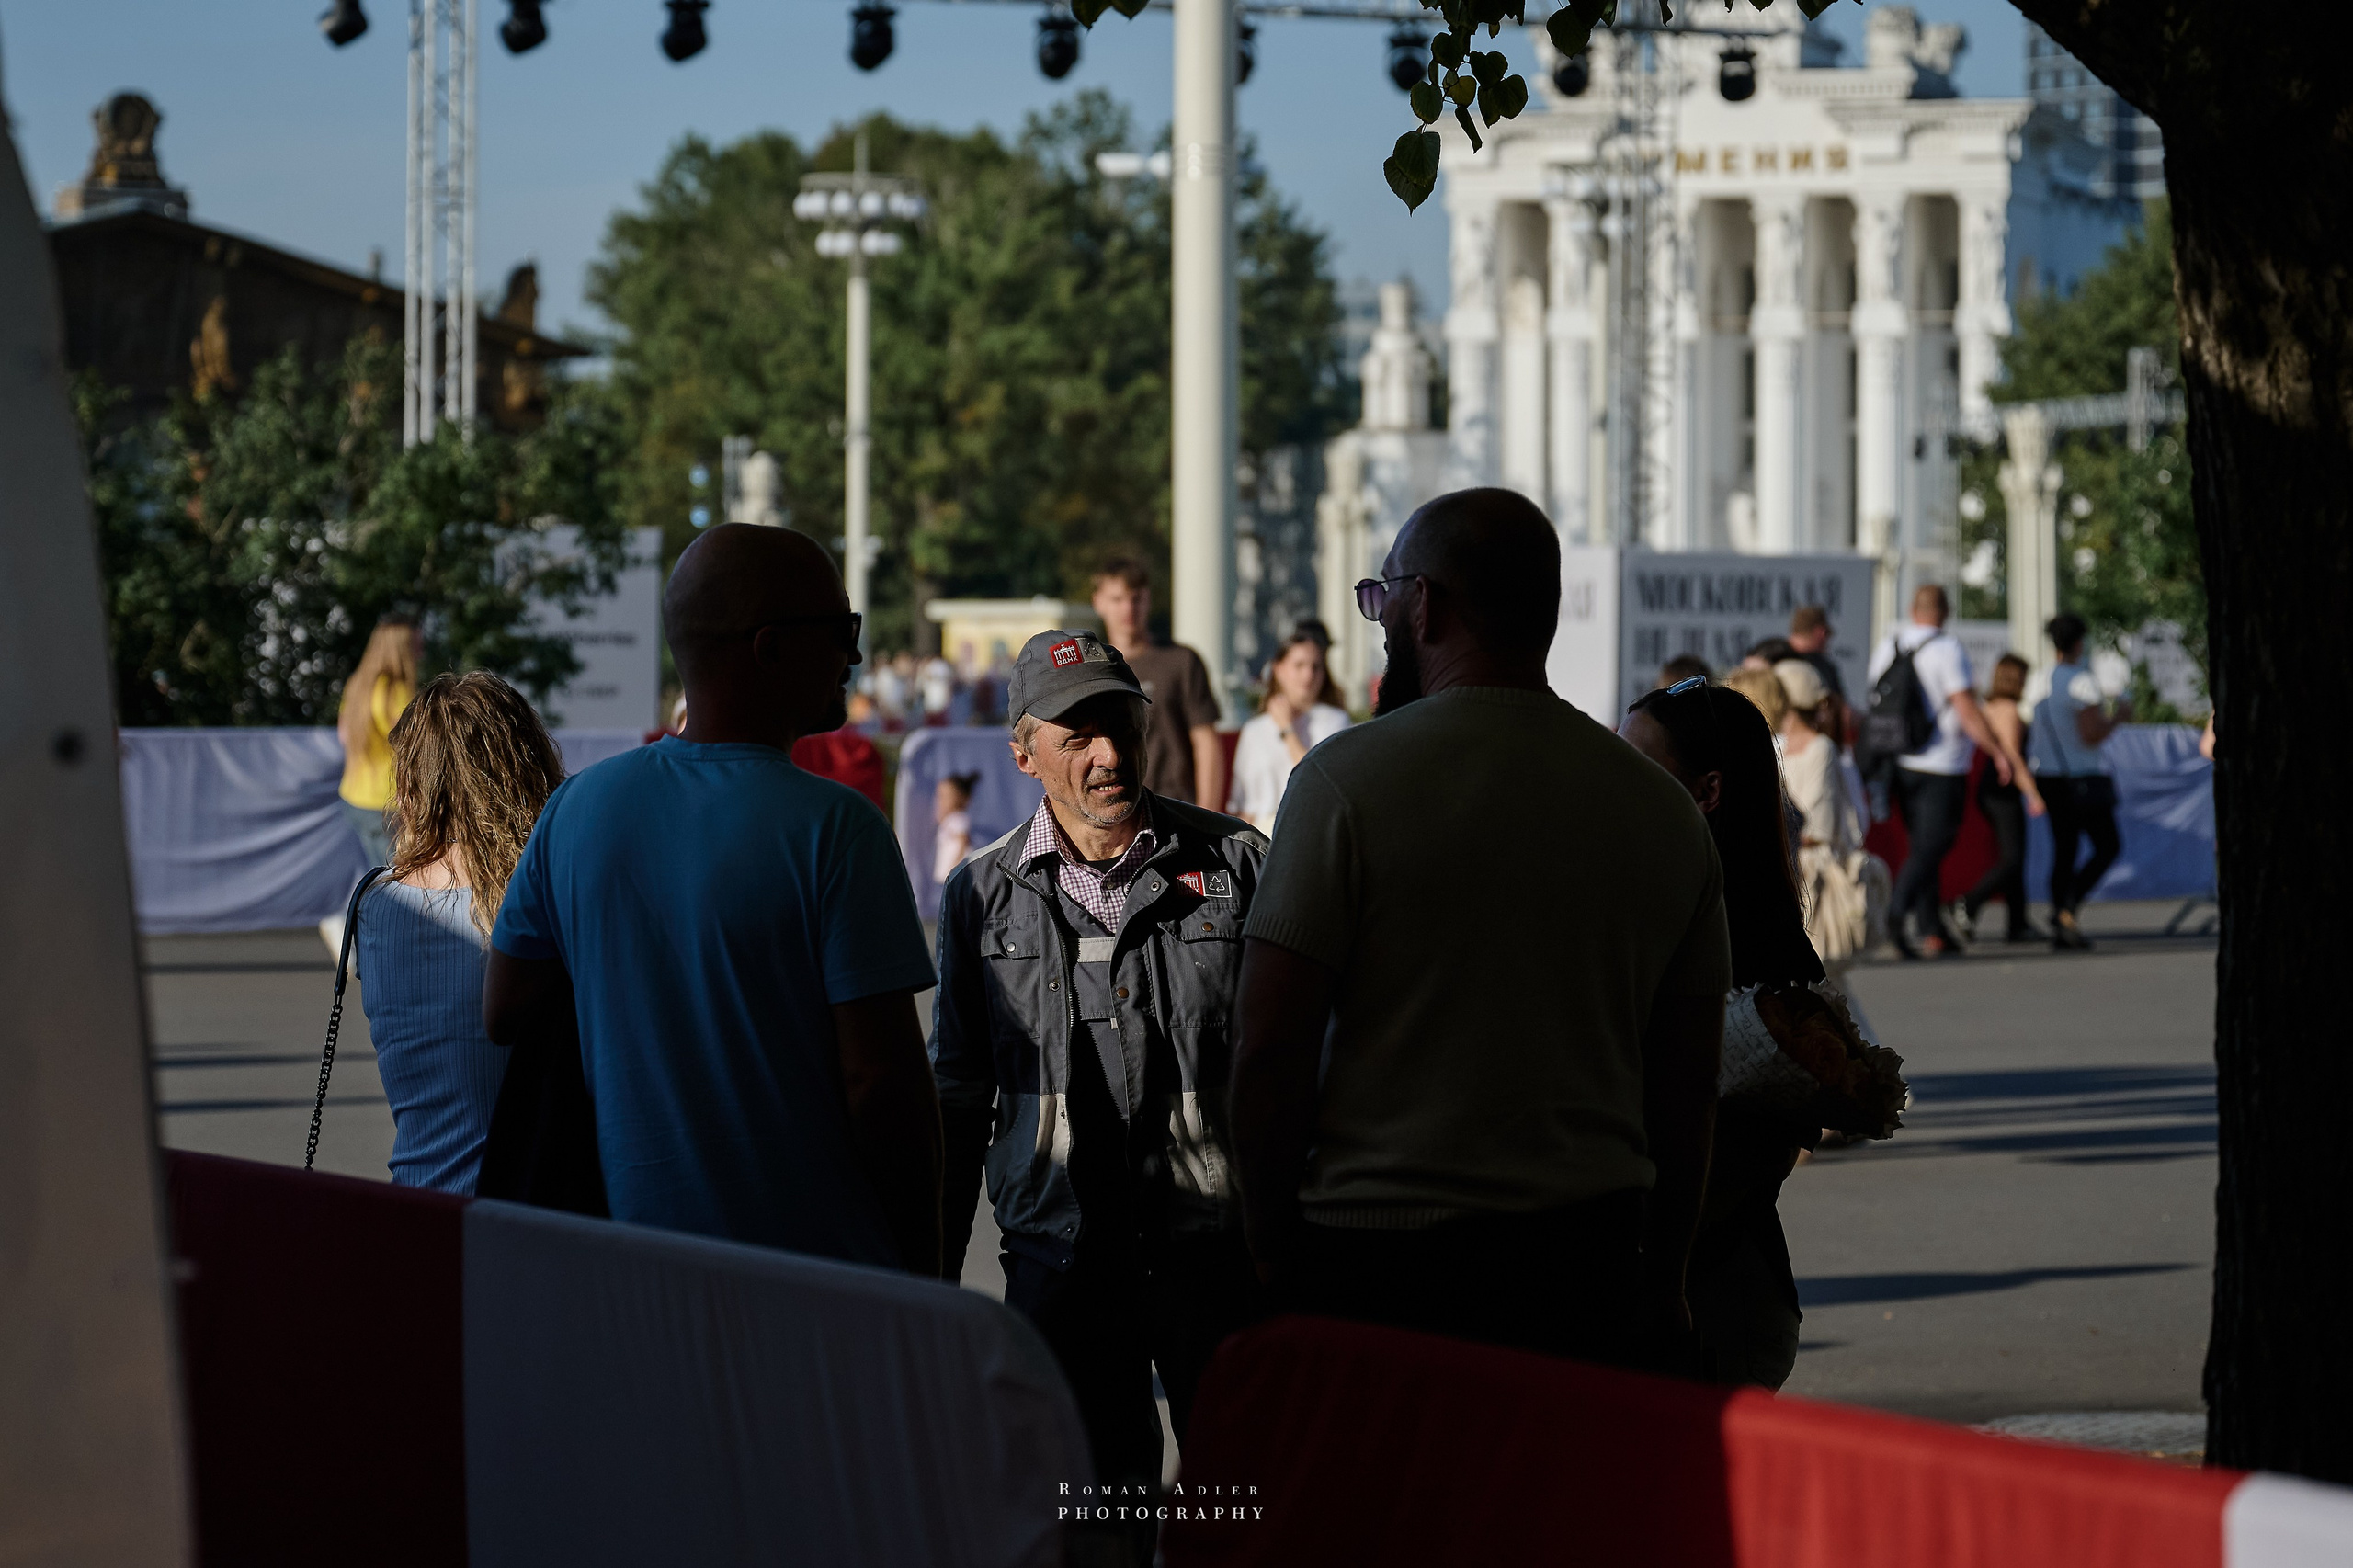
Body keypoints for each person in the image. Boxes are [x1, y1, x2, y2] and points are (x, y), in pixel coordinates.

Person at [1229, 489, 1730, 1370]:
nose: (1379, 622)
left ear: (1426, 603)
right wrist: (1666, 1283)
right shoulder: (1661, 811)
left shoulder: (1345, 784)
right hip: (1588, 1257)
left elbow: (1269, 1047)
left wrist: (1269, 1249)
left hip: (1380, 1259)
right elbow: (1687, 1086)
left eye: (1381, 598)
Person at [483, 523, 943, 1271]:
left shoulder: (577, 810)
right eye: (840, 629)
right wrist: (925, 1275)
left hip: (631, 1267)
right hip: (810, 1279)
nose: (854, 656)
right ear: (769, 648)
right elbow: (881, 1083)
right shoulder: (837, 829)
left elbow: (505, 1012)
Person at [930, 629, 1268, 1488]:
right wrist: (930, 1276)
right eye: (1077, 737)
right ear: (1024, 754)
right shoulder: (980, 895)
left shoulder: (1236, 863)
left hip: (1215, 1263)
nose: (1109, 754)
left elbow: (1296, 1066)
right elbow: (959, 1095)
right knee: (1089, 1517)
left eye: (1121, 724)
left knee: (1242, 1510)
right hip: (1061, 1268)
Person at [1620, 677, 1833, 1390]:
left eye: (1637, 769)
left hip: (1705, 1308)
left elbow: (1765, 1146)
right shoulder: (1636, 910)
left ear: (1707, 792)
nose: (1612, 788)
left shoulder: (1758, 952)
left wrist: (1660, 1259)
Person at [358, 672, 565, 1194]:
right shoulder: (549, 901)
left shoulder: (375, 904)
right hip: (530, 1208)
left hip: (417, 1199)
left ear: (412, 785)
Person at [1867, 585, 2011, 959]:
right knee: (1933, 845)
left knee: (1921, 846)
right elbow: (1965, 710)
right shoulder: (1946, 649)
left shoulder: (1890, 644)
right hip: (1942, 764)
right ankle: (1895, 916)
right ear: (1944, 611)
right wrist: (1997, 751)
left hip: (1899, 760)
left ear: (1914, 609)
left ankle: (1932, 928)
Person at [1774, 659, 1887, 985]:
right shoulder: (1780, 745)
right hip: (1791, 874)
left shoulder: (1821, 749)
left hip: (1811, 879)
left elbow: (1814, 824)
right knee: (1816, 991)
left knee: (1822, 987)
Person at [1092, 556, 1226, 810]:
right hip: (1113, 809)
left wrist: (1207, 815)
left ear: (1148, 600)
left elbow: (1207, 742)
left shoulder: (1181, 661)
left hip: (1175, 806)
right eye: (1117, 599)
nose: (1128, 609)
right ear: (1098, 603)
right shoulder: (1089, 669)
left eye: (1136, 598)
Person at [2032, 613, 2131, 951]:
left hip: (2048, 775)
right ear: (2078, 643)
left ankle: (2062, 916)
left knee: (2065, 849)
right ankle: (2067, 910)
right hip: (2081, 776)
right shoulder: (2081, 682)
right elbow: (2091, 735)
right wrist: (2118, 716)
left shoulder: (2040, 679)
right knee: (2107, 845)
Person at [1957, 653, 2047, 944]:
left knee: (2014, 855)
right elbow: (2013, 755)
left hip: (1991, 787)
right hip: (2002, 789)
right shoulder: (2008, 710)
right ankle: (1968, 903)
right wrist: (2033, 793)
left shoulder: (1991, 706)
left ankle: (2018, 922)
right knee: (2013, 857)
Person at [1227, 627, 1352, 833]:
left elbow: (1320, 781)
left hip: (1311, 831)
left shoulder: (1335, 721)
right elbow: (1244, 805)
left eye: (1316, 667)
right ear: (1279, 669)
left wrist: (1287, 730)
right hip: (1261, 838)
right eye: (1299, 665)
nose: (1308, 675)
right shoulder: (1254, 730)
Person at [336, 616, 422, 866]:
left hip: (354, 795)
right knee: (401, 888)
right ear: (401, 649)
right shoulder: (397, 692)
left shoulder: (357, 684)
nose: (421, 649)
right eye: (416, 644)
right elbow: (416, 748)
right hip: (388, 804)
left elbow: (343, 735)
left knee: (380, 879)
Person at [1786, 604, 1847, 706]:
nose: (1828, 641)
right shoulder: (1823, 668)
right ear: (1821, 633)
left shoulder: (1772, 658)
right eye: (1827, 634)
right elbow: (1841, 709)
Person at [932, 770, 979, 884]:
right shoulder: (948, 822)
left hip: (954, 874)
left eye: (944, 797)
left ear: (959, 798)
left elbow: (963, 841)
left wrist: (955, 866)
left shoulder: (957, 819)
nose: (940, 802)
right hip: (948, 875)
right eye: (939, 796)